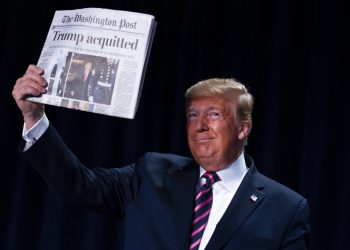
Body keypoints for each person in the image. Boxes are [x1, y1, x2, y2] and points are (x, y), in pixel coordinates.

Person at [12, 65, 310, 250]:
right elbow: (78, 186)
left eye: (214, 115)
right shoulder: (152, 173)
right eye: (193, 115)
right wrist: (34, 117)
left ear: (244, 128)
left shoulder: (285, 208)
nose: (200, 125)